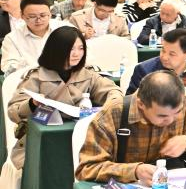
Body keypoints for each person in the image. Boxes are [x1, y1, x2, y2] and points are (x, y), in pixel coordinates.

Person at [5, 26, 121, 167]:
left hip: (82, 139)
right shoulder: (36, 76)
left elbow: (113, 92)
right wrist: (32, 103)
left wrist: (110, 104)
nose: (76, 54)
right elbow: (13, 111)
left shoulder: (88, 74)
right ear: (56, 49)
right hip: (44, 142)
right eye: (71, 49)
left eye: (81, 48)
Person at [76, 70, 186, 183]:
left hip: (171, 183)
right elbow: (87, 169)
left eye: (177, 112)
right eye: (162, 116)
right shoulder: (112, 114)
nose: (170, 120)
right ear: (141, 104)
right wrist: (135, 171)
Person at [126, 28, 186, 96]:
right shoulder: (144, 70)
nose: (164, 57)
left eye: (172, 54)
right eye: (163, 50)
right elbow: (131, 103)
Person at [1, 0, 54, 73]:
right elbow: (9, 66)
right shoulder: (12, 38)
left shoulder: (64, 28)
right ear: (22, 16)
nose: (38, 20)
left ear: (50, 14)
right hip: (28, 78)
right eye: (32, 16)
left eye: (43, 15)